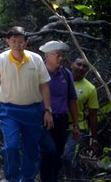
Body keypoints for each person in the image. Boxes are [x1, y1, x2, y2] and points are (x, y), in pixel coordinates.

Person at [0, 26, 53, 182]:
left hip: (33, 111)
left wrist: (48, 110)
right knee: (11, 147)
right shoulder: (1, 60)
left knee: (31, 150)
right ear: (7, 41)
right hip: (10, 112)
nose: (17, 45)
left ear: (26, 42)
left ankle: (28, 178)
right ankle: (12, 178)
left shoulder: (35, 59)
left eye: (21, 42)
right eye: (14, 41)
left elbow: (44, 85)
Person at [38, 40, 80, 182]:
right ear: (47, 56)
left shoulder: (66, 74)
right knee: (48, 150)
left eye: (62, 55)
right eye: (58, 55)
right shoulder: (38, 73)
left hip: (61, 120)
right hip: (42, 120)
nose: (61, 58)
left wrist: (75, 124)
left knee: (58, 154)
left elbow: (72, 100)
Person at [61, 58, 100, 180]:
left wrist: (94, 140)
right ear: (71, 65)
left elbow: (93, 115)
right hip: (57, 125)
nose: (81, 68)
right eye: (78, 64)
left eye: (85, 66)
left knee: (68, 156)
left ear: (87, 70)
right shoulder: (59, 80)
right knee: (58, 156)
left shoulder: (90, 88)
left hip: (78, 128)